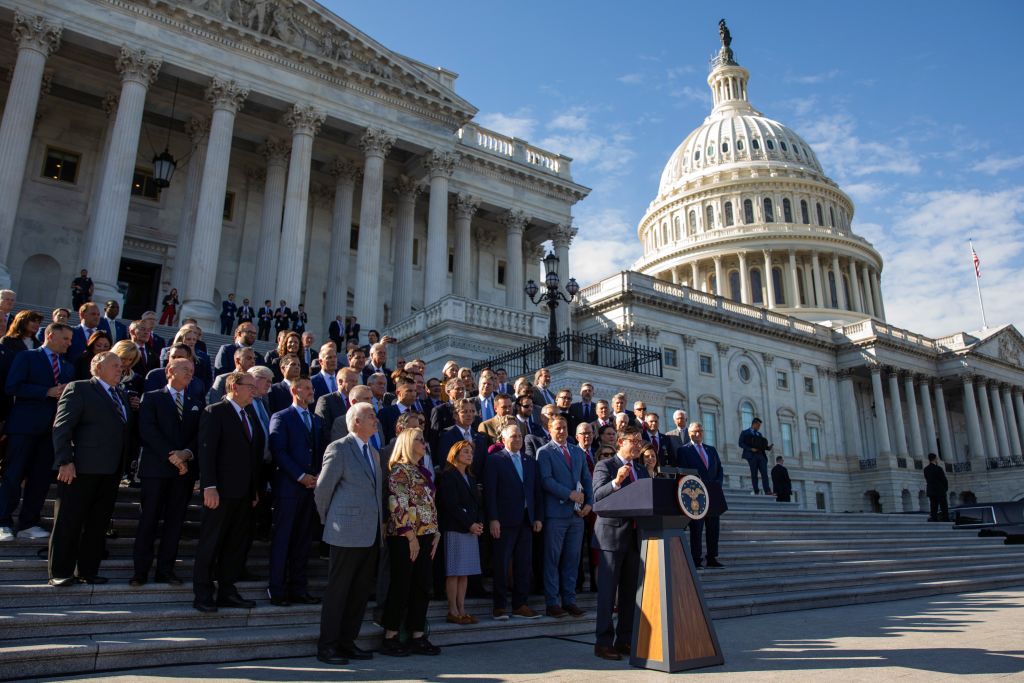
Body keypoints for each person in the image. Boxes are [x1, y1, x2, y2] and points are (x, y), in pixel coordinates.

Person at [48, 351, 132, 585]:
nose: (120, 368)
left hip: (111, 470)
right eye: (114, 365)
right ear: (97, 367)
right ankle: (61, 572)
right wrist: (65, 460)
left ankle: (87, 570)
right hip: (80, 469)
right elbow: (62, 427)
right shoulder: (79, 388)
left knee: (97, 524)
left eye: (121, 366)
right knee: (69, 521)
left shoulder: (121, 394)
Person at [314, 402, 383, 666]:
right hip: (344, 533)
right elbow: (323, 490)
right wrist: (330, 521)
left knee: (359, 592)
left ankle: (347, 642)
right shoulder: (339, 448)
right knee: (338, 592)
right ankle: (328, 646)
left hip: (370, 534)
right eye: (371, 416)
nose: (375, 420)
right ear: (355, 422)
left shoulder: (374, 452)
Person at [192, 372, 265, 613]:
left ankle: (227, 590)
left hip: (244, 493)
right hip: (220, 492)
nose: (254, 391)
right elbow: (207, 452)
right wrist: (209, 486)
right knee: (211, 543)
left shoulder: (250, 415)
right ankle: (203, 593)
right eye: (250, 386)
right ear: (234, 386)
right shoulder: (216, 411)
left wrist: (254, 488)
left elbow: (252, 456)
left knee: (234, 544)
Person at [0, 323, 74, 542]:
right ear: (50, 336)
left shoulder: (67, 366)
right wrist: (46, 392)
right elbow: (12, 386)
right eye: (65, 339)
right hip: (24, 427)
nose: (69, 343)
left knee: (40, 478)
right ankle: (3, 521)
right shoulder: (27, 357)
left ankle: (28, 522)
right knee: (13, 475)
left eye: (70, 340)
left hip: (51, 431)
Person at [132, 358, 203, 586]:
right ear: (170, 370)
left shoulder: (195, 402)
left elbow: (199, 435)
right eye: (185, 369)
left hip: (182, 474)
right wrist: (172, 455)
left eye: (192, 371)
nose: (190, 374)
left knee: (175, 523)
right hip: (156, 470)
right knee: (149, 520)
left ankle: (165, 570)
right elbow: (147, 430)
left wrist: (187, 454)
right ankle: (140, 571)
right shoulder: (152, 397)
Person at [379, 428, 441, 656]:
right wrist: (410, 535)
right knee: (401, 586)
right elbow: (397, 504)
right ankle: (391, 636)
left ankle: (417, 635)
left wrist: (436, 531)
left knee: (422, 586)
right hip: (404, 537)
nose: (424, 443)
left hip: (426, 535)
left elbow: (428, 504)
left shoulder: (421, 471)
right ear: (407, 443)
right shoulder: (399, 471)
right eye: (419, 440)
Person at [267, 377, 325, 606]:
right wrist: (300, 476)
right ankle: (277, 589)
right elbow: (278, 450)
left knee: (303, 541)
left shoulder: (316, 420)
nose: (312, 392)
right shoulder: (281, 417)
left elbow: (320, 450)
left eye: (312, 388)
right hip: (290, 488)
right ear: (294, 390)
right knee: (283, 539)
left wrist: (317, 476)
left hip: (310, 490)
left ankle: (299, 588)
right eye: (307, 388)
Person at [591, 426, 646, 661]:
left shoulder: (642, 469)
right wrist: (616, 481)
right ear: (621, 442)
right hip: (611, 539)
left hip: (635, 539)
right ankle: (603, 643)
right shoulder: (606, 465)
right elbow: (597, 496)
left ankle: (624, 639)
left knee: (629, 593)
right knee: (607, 594)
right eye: (633, 440)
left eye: (640, 441)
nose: (637, 445)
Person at [484, 423, 543, 620]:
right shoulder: (494, 460)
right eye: (513, 436)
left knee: (523, 564)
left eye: (519, 436)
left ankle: (520, 604)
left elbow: (536, 492)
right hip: (503, 520)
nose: (517, 439)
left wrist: (537, 517)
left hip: (526, 521)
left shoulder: (529, 461)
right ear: (503, 439)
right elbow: (490, 493)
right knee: (501, 564)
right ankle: (500, 606)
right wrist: (493, 518)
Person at [537, 415, 593, 618]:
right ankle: (552, 602)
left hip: (577, 515)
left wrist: (589, 503)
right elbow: (546, 480)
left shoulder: (577, 452)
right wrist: (568, 494)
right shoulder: (544, 452)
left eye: (564, 428)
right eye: (557, 428)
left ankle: (569, 600)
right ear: (550, 430)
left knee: (572, 559)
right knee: (552, 559)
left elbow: (586, 478)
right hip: (556, 514)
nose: (562, 431)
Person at [437, 439, 484, 626]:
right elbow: (451, 505)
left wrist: (478, 523)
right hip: (456, 528)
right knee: (454, 572)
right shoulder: (448, 476)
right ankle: (453, 610)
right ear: (455, 455)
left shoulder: (471, 477)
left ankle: (462, 609)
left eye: (470, 452)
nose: (469, 455)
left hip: (471, 529)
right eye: (465, 452)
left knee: (464, 572)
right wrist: (469, 524)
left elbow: (477, 504)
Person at [677, 422, 728, 568]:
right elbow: (683, 472)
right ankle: (696, 559)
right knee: (696, 529)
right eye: (694, 432)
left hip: (712, 494)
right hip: (695, 495)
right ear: (689, 433)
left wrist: (717, 484)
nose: (697, 434)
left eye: (699, 431)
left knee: (713, 528)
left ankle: (712, 557)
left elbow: (719, 469)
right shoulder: (684, 450)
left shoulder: (711, 449)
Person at [437, 399, 489, 479]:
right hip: (456, 483)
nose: (469, 415)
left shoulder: (480, 438)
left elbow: (484, 464)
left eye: (472, 411)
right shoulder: (446, 436)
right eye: (465, 411)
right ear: (455, 415)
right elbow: (445, 464)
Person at [739, 417, 773, 495]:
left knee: (764, 473)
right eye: (758, 425)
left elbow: (761, 445)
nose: (759, 427)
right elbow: (740, 443)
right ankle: (756, 490)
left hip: (761, 455)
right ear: (754, 424)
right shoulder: (745, 432)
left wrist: (768, 448)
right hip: (752, 456)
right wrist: (750, 449)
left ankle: (767, 490)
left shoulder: (759, 434)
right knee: (754, 473)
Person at [924, 453, 949, 522]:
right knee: (943, 505)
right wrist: (945, 488)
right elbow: (943, 479)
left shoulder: (926, 469)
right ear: (935, 459)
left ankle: (934, 518)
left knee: (933, 506)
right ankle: (945, 518)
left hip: (931, 490)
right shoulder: (938, 468)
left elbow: (927, 479)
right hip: (940, 490)